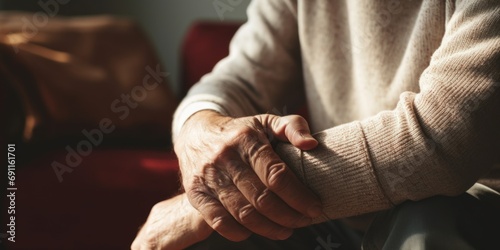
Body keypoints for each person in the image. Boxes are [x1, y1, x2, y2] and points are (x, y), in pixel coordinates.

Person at [132, 0, 500, 249]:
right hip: (336, 213)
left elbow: (444, 138)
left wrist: (224, 195)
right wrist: (200, 129)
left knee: (428, 221)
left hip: (471, 203)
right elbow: (238, 80)